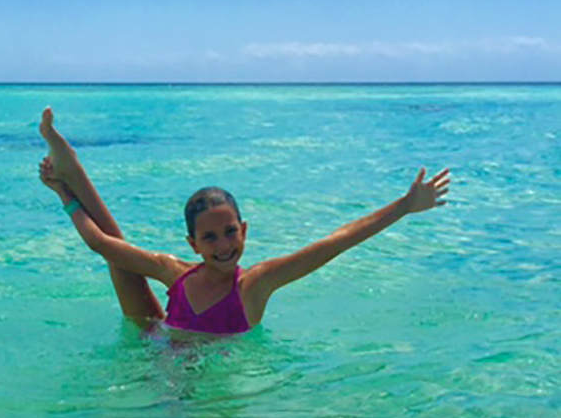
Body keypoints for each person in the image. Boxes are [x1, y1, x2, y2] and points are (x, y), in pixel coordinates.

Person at [38, 107, 451, 335]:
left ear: (245, 230)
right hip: (156, 345)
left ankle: (72, 169)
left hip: (183, 377)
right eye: (210, 237)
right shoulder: (174, 271)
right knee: (121, 259)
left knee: (122, 261)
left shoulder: (256, 285)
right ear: (193, 244)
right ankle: (72, 170)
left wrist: (404, 206)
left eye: (230, 232)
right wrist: (65, 197)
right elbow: (99, 243)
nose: (223, 246)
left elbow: (336, 242)